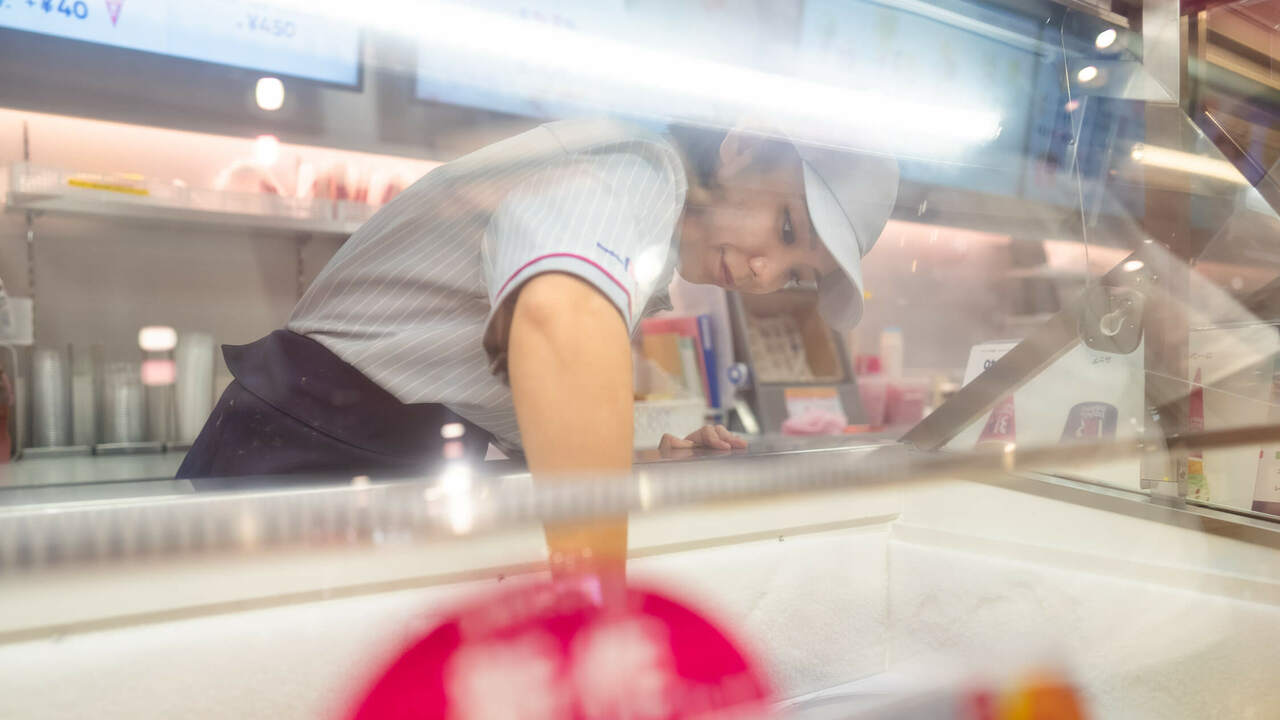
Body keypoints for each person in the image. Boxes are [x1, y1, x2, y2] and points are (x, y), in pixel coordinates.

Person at [177, 117, 898, 584]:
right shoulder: (636, 171)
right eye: (786, 226)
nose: (769, 272)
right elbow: (557, 320)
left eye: (797, 273)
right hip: (296, 463)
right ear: (740, 147)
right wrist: (599, 602)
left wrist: (634, 466)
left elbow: (524, 380)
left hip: (372, 471)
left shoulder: (645, 240)